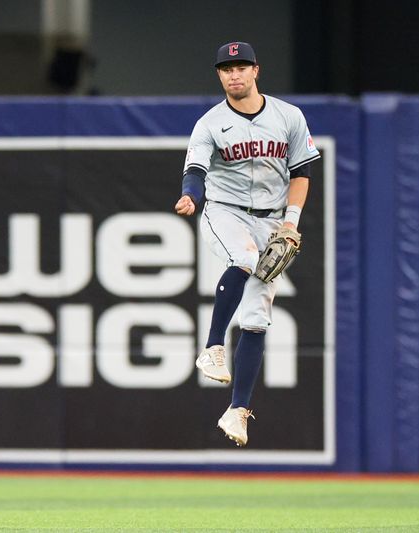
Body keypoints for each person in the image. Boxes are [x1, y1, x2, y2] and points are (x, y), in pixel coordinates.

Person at [174, 41, 320, 446]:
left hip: (273, 219)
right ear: (219, 75)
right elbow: (195, 170)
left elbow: (302, 171)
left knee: (257, 316)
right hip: (225, 210)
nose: (234, 74)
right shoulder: (209, 123)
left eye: (241, 66)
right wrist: (191, 195)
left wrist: (291, 223)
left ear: (256, 70)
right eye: (226, 68)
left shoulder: (289, 116)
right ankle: (212, 347)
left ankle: (237, 410)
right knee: (243, 256)